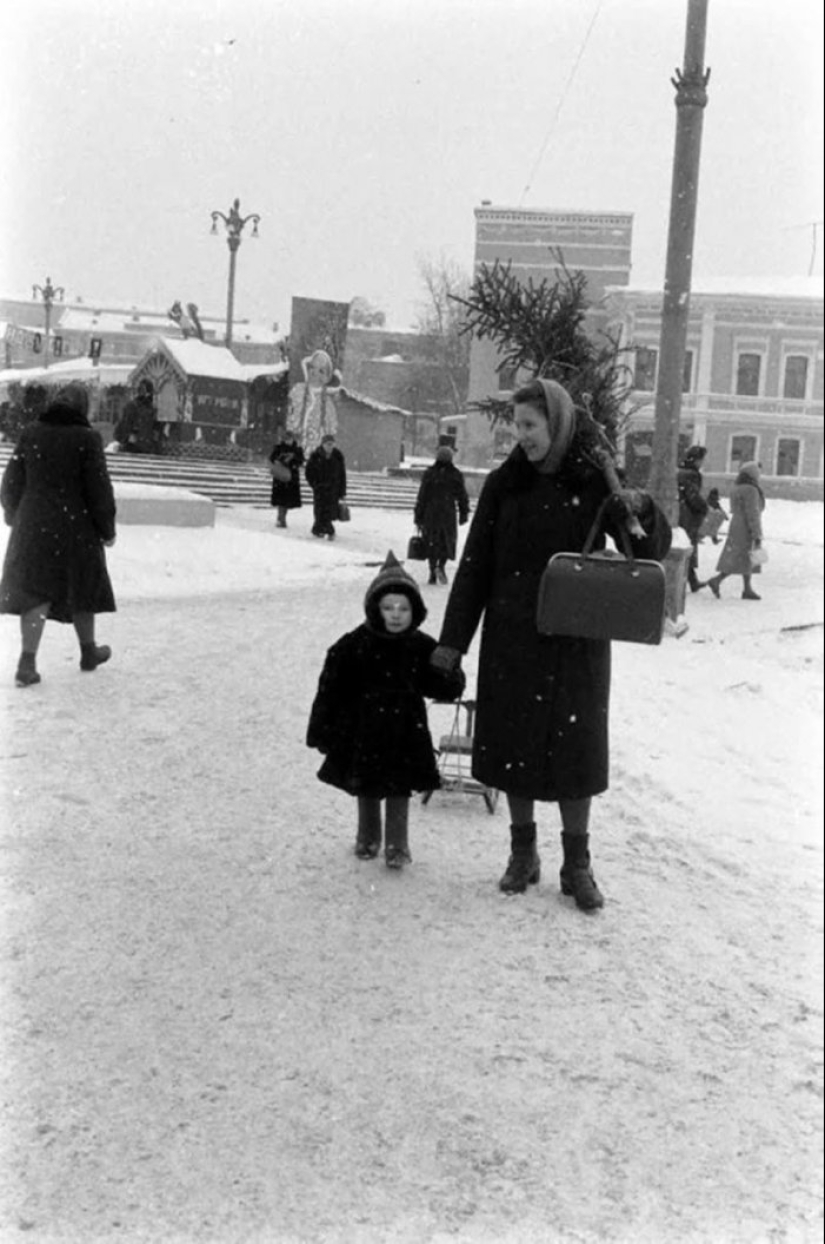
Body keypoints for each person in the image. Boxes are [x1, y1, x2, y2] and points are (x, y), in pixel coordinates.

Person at [430, 378, 672, 911]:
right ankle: (523, 853)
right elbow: (474, 567)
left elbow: (645, 549)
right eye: (517, 426)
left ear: (556, 424)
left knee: (575, 751)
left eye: (531, 425)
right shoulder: (504, 484)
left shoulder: (594, 482)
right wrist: (452, 644)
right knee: (515, 747)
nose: (523, 436)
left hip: (575, 640)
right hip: (513, 637)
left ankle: (576, 863)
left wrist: (642, 508)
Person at [306, 551, 465, 869]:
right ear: (375, 609)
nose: (396, 615)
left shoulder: (421, 646)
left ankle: (396, 845)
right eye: (388, 607)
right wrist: (322, 730)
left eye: (403, 608)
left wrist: (450, 669)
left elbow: (443, 688)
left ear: (414, 611)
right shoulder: (352, 645)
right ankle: (367, 837)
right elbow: (331, 689)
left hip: (406, 729)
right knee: (366, 785)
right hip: (364, 728)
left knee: (399, 787)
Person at [0, 382, 116, 687]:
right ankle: (88, 651)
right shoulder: (87, 438)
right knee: (83, 586)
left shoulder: (32, 433)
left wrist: (14, 513)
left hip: (33, 524)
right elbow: (99, 489)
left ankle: (27, 662)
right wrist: (107, 528)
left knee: (36, 592)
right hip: (76, 525)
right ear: (83, 408)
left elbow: (11, 480)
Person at [703, 462, 766, 601]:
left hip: (736, 523)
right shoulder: (751, 490)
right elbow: (752, 513)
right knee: (743, 556)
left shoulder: (737, 487)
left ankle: (747, 588)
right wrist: (756, 533)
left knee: (743, 556)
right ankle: (717, 580)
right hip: (746, 526)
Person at [413, 442, 471, 585]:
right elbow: (462, 495)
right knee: (447, 541)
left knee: (432, 542)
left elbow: (422, 496)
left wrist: (418, 515)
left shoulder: (430, 474)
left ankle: (432, 571)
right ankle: (441, 566)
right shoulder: (455, 475)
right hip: (448, 513)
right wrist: (464, 512)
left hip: (431, 513)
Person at [287, 349, 341, 455]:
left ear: (327, 377)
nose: (315, 372)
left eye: (321, 371)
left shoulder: (328, 404)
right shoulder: (297, 391)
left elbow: (331, 432)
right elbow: (288, 416)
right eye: (312, 367)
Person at [677, 444, 709, 593]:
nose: (702, 463)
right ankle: (690, 580)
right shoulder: (692, 475)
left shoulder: (679, 471)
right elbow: (693, 496)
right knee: (688, 545)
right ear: (696, 460)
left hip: (679, 511)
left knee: (683, 544)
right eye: (701, 460)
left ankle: (692, 580)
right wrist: (704, 508)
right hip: (687, 515)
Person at [305, 433, 347, 540]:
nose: (330, 446)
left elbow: (342, 475)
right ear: (323, 444)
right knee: (319, 511)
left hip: (333, 490)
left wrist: (342, 492)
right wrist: (315, 484)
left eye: (332, 444)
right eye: (328, 444)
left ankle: (320, 530)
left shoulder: (338, 456)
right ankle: (327, 530)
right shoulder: (316, 456)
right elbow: (309, 472)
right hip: (320, 489)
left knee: (329, 512)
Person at [268, 426, 305, 528]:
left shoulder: (297, 449)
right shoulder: (279, 448)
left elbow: (301, 461)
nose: (288, 441)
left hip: (291, 477)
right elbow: (272, 458)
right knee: (281, 500)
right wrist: (281, 459)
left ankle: (282, 518)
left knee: (287, 501)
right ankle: (281, 519)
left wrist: (293, 461)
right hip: (280, 477)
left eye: (290, 439)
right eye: (286, 439)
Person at [114, 379, 159, 454]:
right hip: (132, 446)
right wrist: (128, 437)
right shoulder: (132, 406)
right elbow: (123, 426)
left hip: (146, 447)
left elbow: (155, 428)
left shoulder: (152, 409)